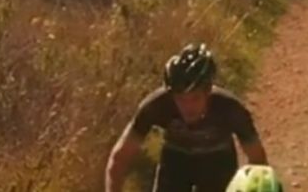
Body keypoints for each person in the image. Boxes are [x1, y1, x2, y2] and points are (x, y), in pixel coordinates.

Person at [105, 44, 269, 192]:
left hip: (218, 163)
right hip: (176, 162)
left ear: (208, 91)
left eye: (195, 98)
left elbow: (258, 161)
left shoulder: (230, 109)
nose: (188, 107)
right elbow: (120, 158)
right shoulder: (158, 105)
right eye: (180, 99)